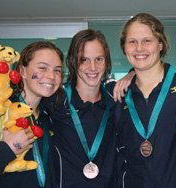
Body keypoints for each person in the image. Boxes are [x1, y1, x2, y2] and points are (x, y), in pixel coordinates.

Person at [44, 29, 134, 187]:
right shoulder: (56, 99)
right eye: (84, 60)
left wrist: (134, 73)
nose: (93, 67)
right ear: (72, 61)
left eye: (99, 59)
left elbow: (154, 74)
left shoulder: (116, 96)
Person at [115, 13, 176, 187]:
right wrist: (131, 73)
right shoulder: (119, 94)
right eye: (132, 41)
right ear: (124, 48)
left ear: (160, 44)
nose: (139, 48)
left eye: (147, 41)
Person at [0, 41, 64, 188]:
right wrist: (7, 149)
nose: (51, 76)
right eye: (42, 68)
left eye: (57, 70)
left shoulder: (48, 117)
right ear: (22, 72)